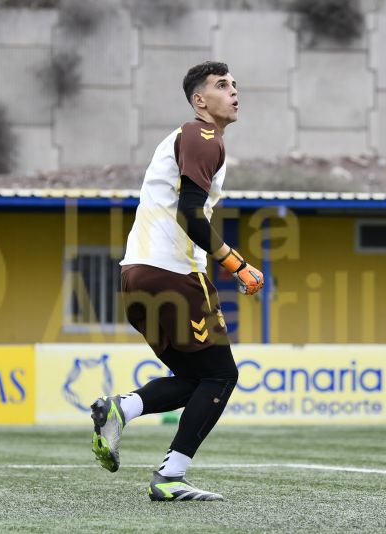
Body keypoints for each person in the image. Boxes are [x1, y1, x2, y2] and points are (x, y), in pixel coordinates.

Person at [90, 61, 264, 502]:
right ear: (199, 100)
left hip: (136, 277)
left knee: (194, 378)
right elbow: (190, 212)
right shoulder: (204, 136)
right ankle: (171, 476)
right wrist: (236, 264)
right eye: (222, 85)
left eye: (235, 85)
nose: (234, 92)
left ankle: (121, 409)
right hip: (173, 273)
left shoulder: (187, 139)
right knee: (222, 377)